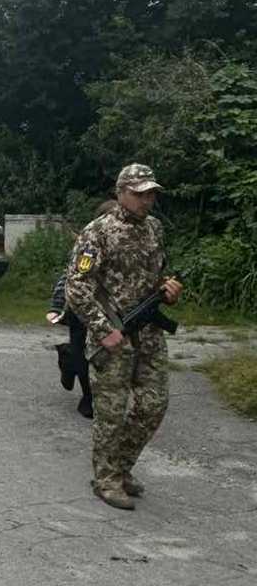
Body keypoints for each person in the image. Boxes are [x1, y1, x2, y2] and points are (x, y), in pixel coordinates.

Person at [64, 164, 183, 511]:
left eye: (151, 194)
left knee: (154, 405)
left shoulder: (155, 228)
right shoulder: (97, 232)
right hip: (114, 336)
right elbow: (77, 287)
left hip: (150, 336)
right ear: (120, 193)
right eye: (139, 193)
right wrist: (103, 330)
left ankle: (121, 467)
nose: (147, 200)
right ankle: (106, 479)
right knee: (111, 414)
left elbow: (157, 276)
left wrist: (168, 290)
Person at [47, 200, 119, 421]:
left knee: (105, 353)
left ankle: (72, 361)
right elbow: (69, 278)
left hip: (110, 310)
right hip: (81, 309)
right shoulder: (88, 245)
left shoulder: (129, 244)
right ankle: (88, 396)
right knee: (81, 353)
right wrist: (56, 306)